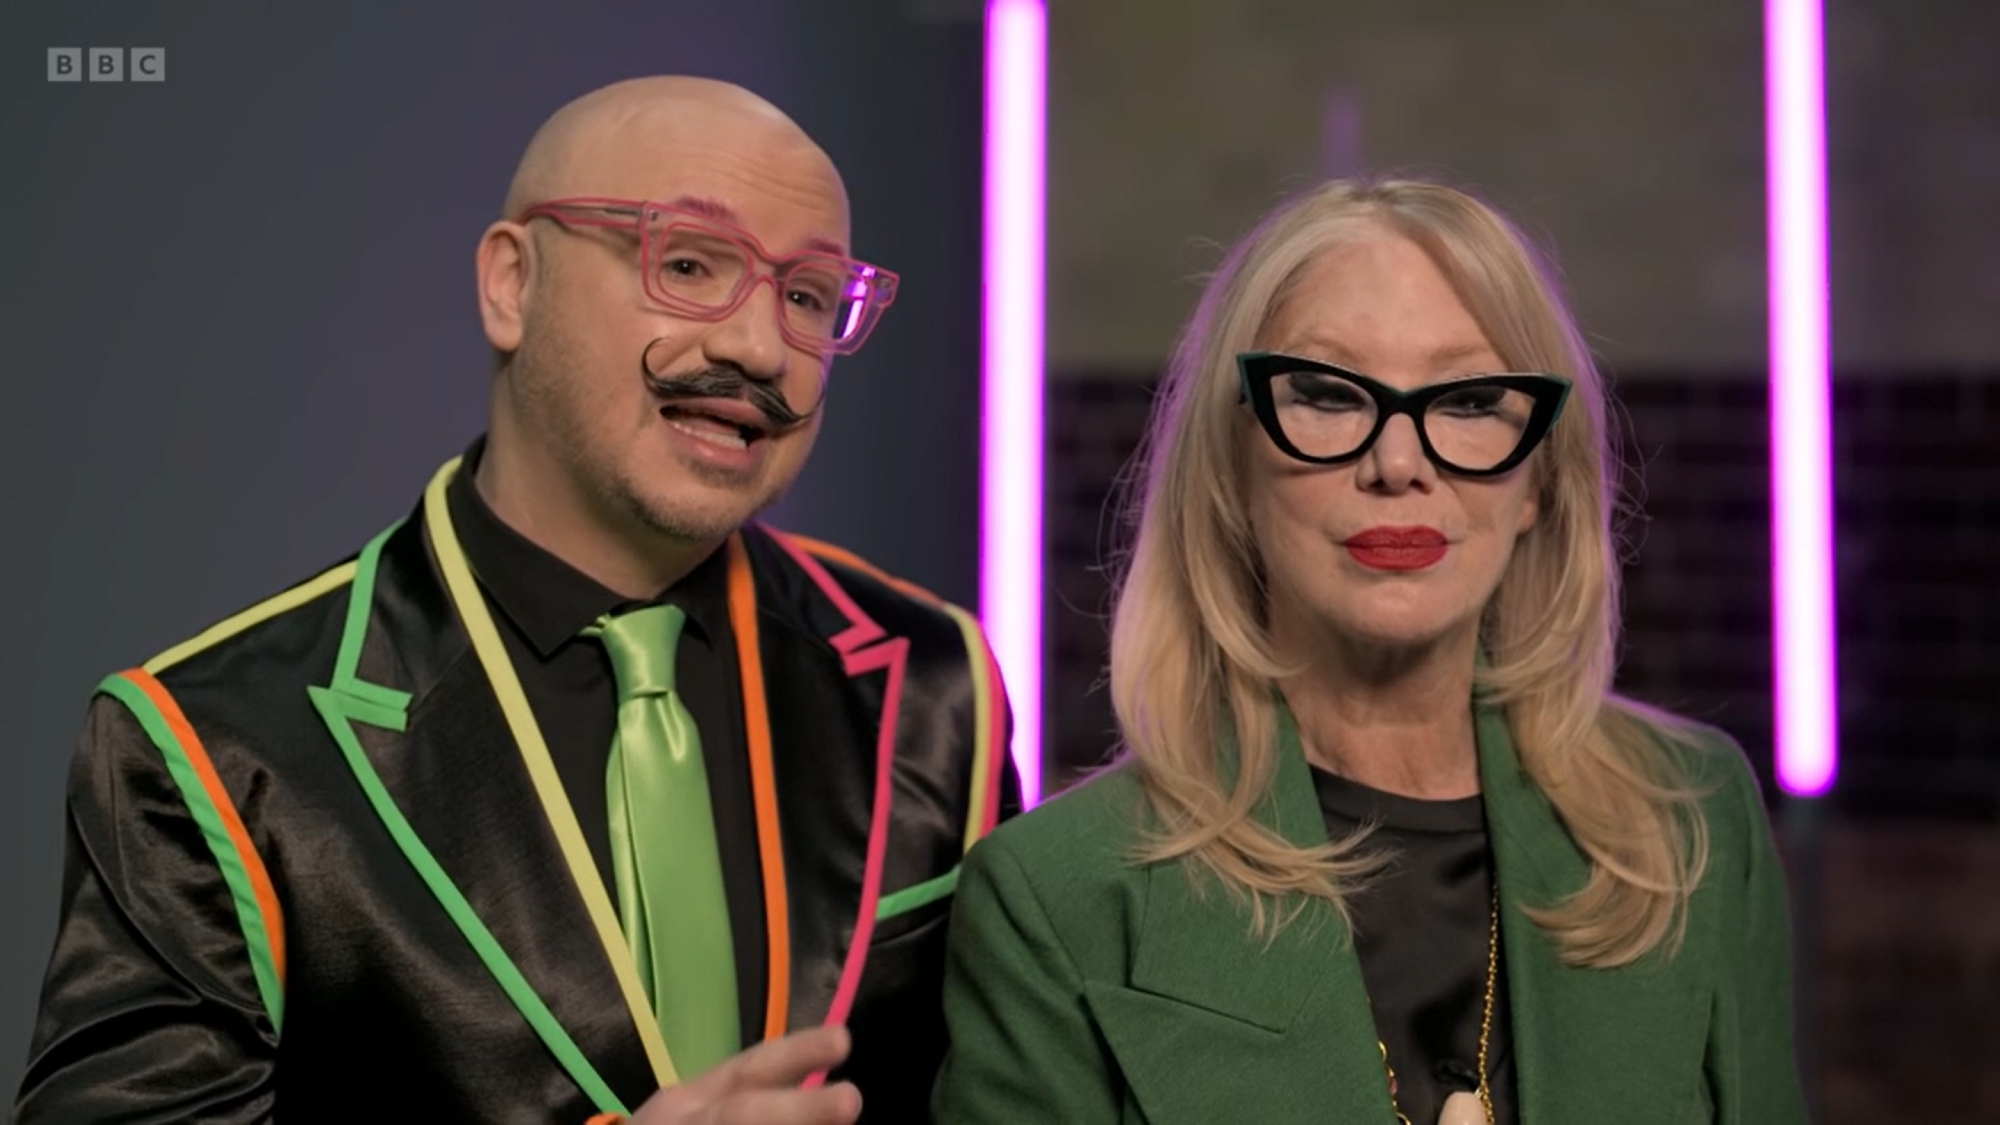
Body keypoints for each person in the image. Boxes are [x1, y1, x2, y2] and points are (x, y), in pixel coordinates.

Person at [16, 75, 1018, 1125]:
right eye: (687, 265)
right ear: (511, 284)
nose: (759, 348)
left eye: (806, 296)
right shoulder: (214, 744)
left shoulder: (937, 688)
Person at [930, 177, 1807, 1124]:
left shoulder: (1694, 819)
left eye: (1470, 401)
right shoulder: (1056, 896)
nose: (1398, 464)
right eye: (1327, 395)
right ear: (1229, 468)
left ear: (1540, 481)